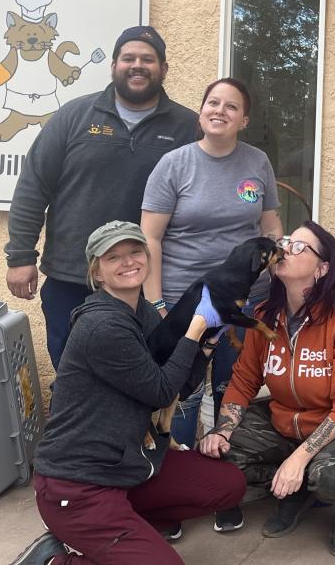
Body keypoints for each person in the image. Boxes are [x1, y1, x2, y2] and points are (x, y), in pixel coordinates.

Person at [11, 220, 246, 565]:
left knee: (227, 485)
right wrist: (195, 328)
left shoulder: (142, 313)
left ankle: (127, 537)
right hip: (77, 486)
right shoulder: (103, 325)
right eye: (113, 257)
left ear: (147, 257)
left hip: (125, 468)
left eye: (135, 251)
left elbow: (179, 384)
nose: (128, 262)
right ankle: (53, 560)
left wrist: (207, 347)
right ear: (98, 271)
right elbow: (160, 392)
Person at [5, 26, 198, 370]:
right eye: (129, 58)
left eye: (147, 59)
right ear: (113, 66)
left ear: (164, 69)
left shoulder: (187, 127)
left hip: (147, 283)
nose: (137, 65)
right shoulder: (74, 116)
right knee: (72, 373)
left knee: (140, 379)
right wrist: (20, 256)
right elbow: (33, 186)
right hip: (72, 277)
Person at [199, 222, 335, 556]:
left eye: (298, 247)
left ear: (322, 268)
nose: (285, 250)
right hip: (280, 421)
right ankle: (296, 491)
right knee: (216, 460)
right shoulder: (265, 315)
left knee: (333, 478)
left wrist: (299, 458)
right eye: (285, 242)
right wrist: (222, 432)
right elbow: (244, 381)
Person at [141, 77, 282, 446]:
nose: (220, 111)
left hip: (247, 301)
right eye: (213, 103)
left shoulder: (258, 161)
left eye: (231, 106)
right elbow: (150, 238)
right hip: (186, 302)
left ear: (244, 120)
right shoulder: (173, 164)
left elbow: (270, 226)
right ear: (201, 111)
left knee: (232, 388)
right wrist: (156, 302)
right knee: (181, 390)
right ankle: (177, 473)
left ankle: (224, 476)